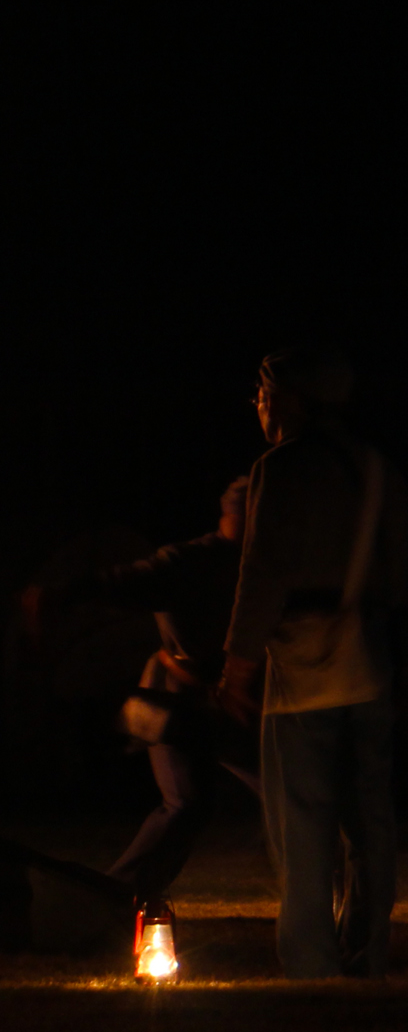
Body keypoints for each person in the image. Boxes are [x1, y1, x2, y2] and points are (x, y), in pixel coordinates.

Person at [217, 350, 401, 978]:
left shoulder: (281, 467)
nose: (259, 408)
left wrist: (238, 664)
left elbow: (261, 570)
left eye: (263, 395)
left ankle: (312, 958)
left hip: (302, 668)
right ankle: (369, 948)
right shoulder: (378, 470)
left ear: (289, 399)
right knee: (371, 818)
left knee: (302, 819)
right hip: (371, 659)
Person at [32, 477, 258, 900]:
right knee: (186, 805)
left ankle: (329, 888)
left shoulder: (267, 565)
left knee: (285, 793)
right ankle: (118, 898)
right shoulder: (188, 563)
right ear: (234, 515)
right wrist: (58, 596)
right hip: (178, 703)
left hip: (233, 704)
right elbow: (121, 581)